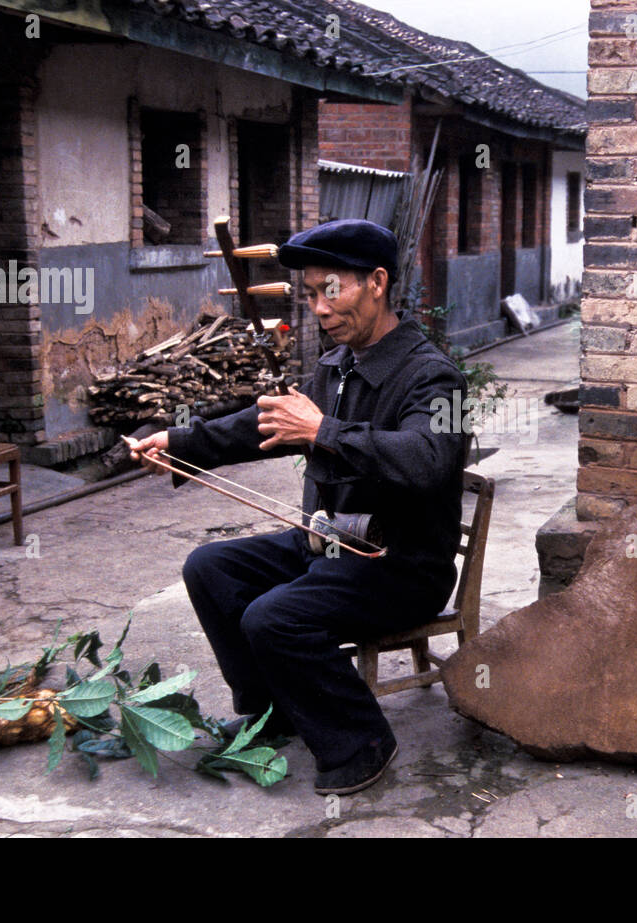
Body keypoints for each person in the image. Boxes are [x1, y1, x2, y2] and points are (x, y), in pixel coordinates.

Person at [129, 219, 469, 795]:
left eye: (328, 291)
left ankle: (360, 743)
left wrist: (324, 431)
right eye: (309, 295)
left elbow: (429, 459)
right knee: (210, 568)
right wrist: (179, 442)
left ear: (377, 283)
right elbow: (265, 423)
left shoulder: (435, 377)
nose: (318, 308)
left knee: (275, 616)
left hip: (401, 564)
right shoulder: (338, 365)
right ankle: (273, 713)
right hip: (330, 544)